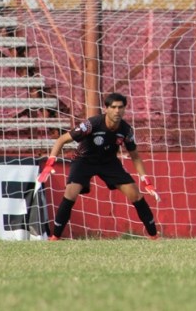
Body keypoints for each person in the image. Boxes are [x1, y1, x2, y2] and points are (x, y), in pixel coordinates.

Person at [40, 92, 160, 240]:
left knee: (135, 194)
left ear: (124, 109)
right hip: (84, 160)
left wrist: (146, 181)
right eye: (113, 107)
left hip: (109, 162)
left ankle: (154, 237)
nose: (117, 111)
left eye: (120, 107)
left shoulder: (126, 130)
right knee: (70, 193)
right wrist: (50, 162)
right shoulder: (91, 124)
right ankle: (55, 238)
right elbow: (61, 139)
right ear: (106, 109)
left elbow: (135, 156)